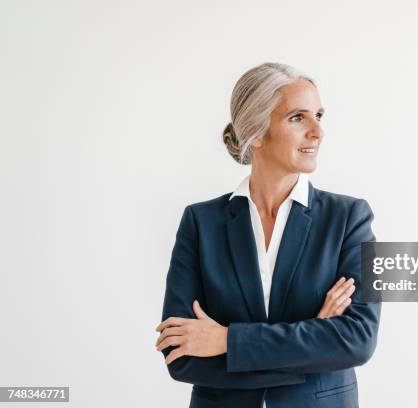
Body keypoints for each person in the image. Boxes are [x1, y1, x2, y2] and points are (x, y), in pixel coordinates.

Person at [155, 62, 381, 408]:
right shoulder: (200, 222)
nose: (317, 132)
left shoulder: (351, 218)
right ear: (256, 132)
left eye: (319, 115)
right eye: (298, 117)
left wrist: (228, 341)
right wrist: (312, 341)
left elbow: (358, 340)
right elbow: (180, 355)